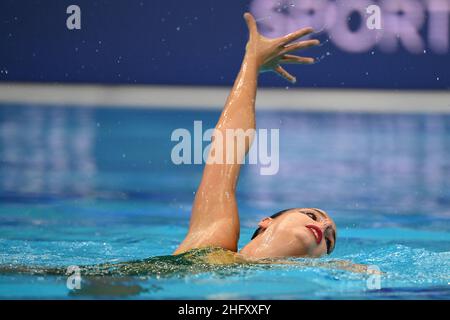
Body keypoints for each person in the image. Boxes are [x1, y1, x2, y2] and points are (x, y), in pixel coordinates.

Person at [173, 13, 337, 261]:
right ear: (266, 222)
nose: (323, 228)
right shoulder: (214, 244)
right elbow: (228, 145)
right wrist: (252, 61)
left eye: (329, 241)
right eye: (311, 215)